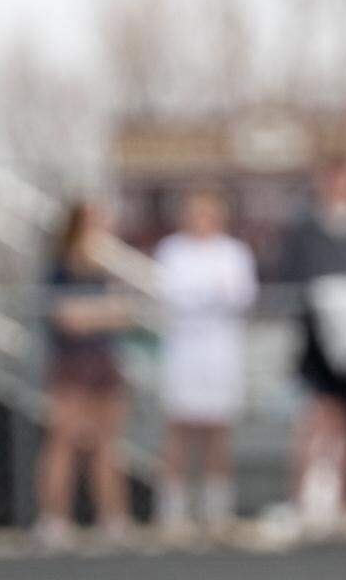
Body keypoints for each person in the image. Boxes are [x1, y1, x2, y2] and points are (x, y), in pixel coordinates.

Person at [280, 155, 346, 532]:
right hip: (318, 338)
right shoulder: (307, 229)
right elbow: (292, 276)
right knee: (319, 419)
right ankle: (302, 502)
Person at [153, 186, 258, 539]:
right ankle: (173, 509)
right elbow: (167, 295)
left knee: (217, 430)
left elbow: (241, 295)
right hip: (183, 352)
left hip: (220, 353)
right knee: (179, 430)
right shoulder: (171, 250)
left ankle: (216, 509)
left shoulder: (233, 252)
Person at [35, 202, 135, 550]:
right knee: (64, 440)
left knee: (108, 443)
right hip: (71, 363)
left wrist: (95, 315)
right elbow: (67, 318)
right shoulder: (61, 267)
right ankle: (54, 519)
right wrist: (100, 313)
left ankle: (114, 518)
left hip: (103, 361)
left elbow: (122, 313)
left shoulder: (108, 266)